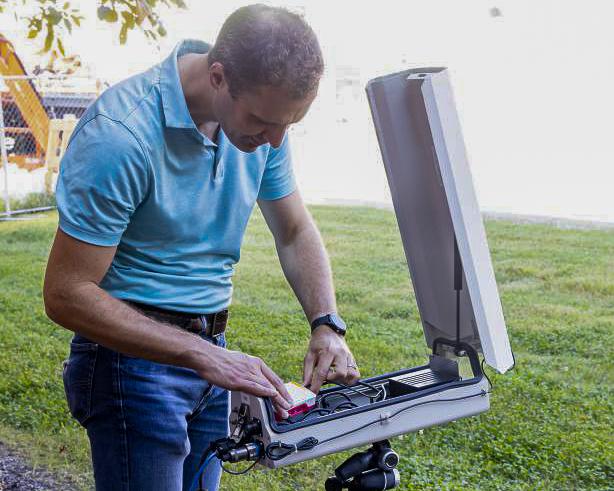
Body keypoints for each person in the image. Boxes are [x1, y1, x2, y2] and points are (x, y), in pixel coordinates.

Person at [43, 4, 360, 491]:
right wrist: (201, 355)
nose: (275, 139)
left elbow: (294, 230)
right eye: (263, 120)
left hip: (210, 354)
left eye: (290, 124)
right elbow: (66, 292)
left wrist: (326, 323)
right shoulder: (122, 135)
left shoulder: (264, 128)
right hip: (130, 368)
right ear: (218, 78)